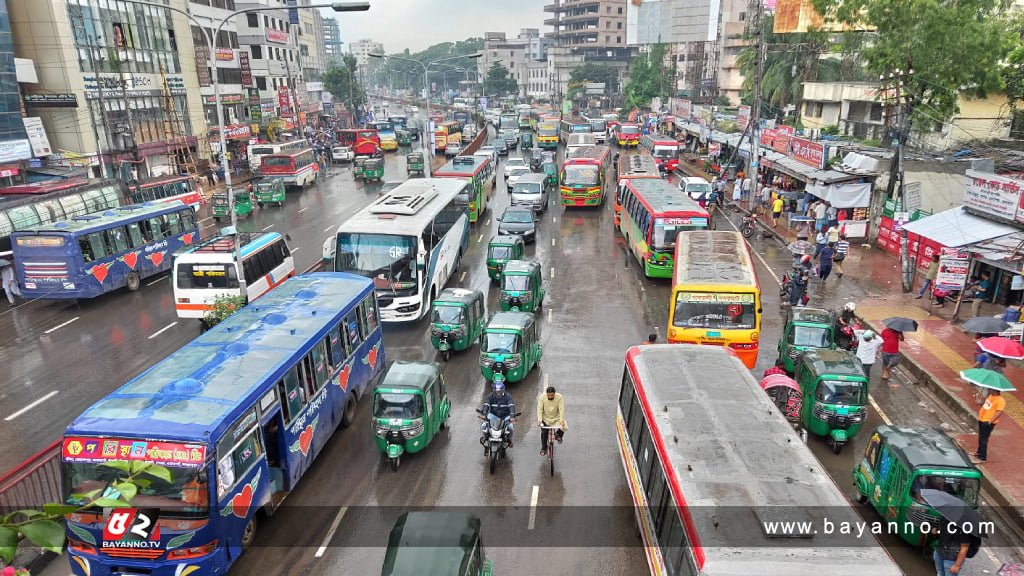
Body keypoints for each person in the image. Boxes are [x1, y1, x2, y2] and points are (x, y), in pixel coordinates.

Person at [481, 381, 516, 447]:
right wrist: (484, 414)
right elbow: (486, 404)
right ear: (494, 391)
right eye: (497, 392)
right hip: (494, 415)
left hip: (505, 416)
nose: (499, 393)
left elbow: (511, 406)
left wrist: (512, 416)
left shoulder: (508, 396)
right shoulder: (490, 396)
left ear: (503, 390)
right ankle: (485, 437)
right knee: (483, 425)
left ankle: (509, 440)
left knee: (510, 427)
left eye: (500, 391)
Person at [974, 389, 1004, 462]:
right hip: (982, 419)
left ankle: (982, 457)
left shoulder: (1000, 400)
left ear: (995, 391)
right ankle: (979, 452)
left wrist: (990, 421)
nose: (989, 390)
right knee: (981, 437)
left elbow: (999, 412)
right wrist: (978, 399)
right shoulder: (990, 396)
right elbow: (986, 405)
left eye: (990, 389)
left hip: (987, 422)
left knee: (984, 439)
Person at [536, 386, 566, 456]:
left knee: (563, 426)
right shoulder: (542, 398)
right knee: (544, 432)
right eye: (549, 395)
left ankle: (558, 435)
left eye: (552, 395)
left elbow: (561, 409)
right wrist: (539, 420)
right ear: (546, 394)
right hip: (545, 418)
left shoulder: (559, 397)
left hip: (556, 417)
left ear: (554, 394)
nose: (550, 397)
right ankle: (544, 448)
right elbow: (539, 409)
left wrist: (561, 420)